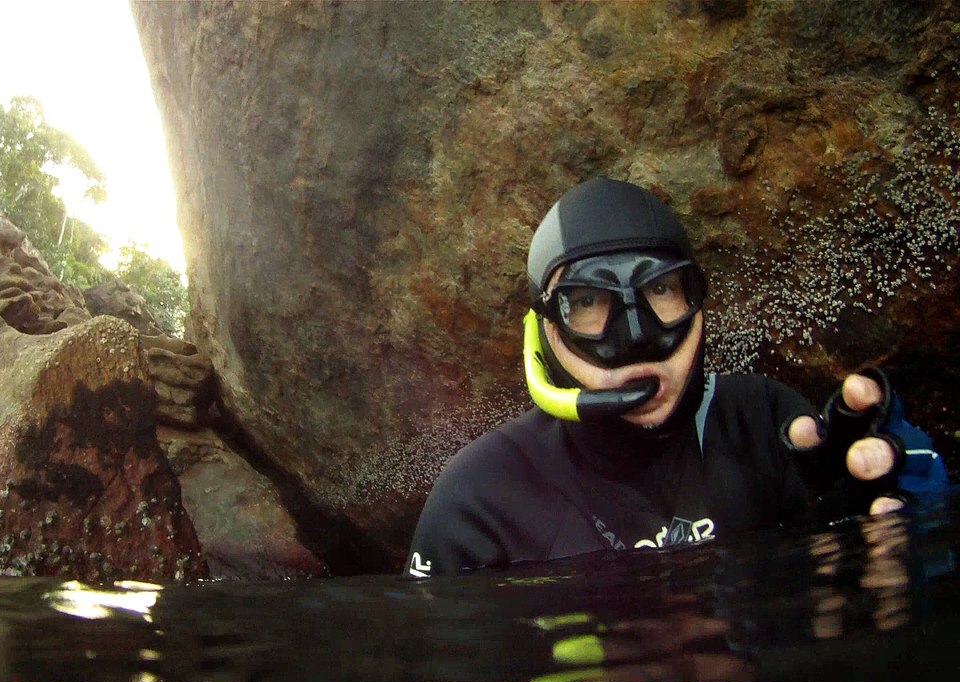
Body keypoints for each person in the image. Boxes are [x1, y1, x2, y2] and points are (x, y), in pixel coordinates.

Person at [405, 177, 949, 578]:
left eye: (661, 290)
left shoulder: (763, 423)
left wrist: (906, 503)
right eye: (588, 302)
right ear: (544, 332)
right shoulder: (477, 501)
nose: (637, 337)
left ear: (700, 304)